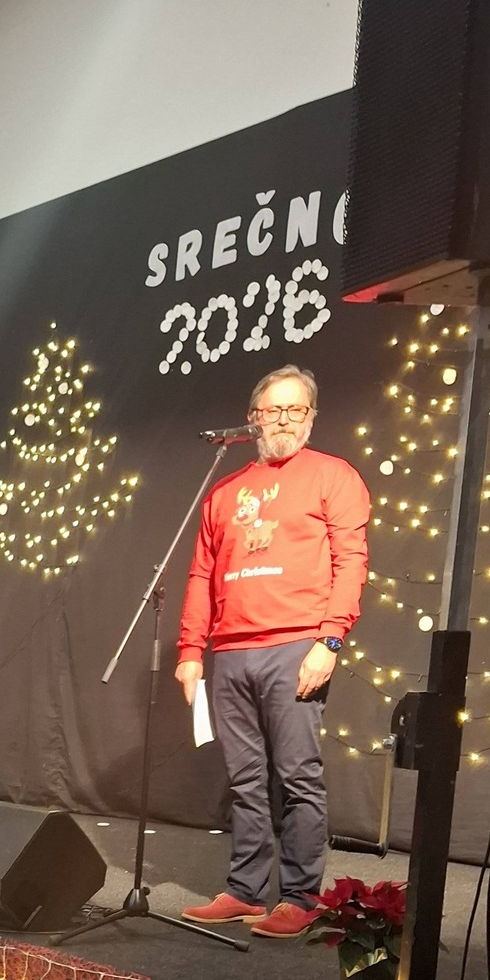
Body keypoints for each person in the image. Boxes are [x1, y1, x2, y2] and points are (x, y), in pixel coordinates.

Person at [175, 366, 369, 939]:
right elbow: (201, 574)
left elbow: (351, 563)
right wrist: (191, 650)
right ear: (253, 417)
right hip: (231, 652)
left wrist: (329, 641)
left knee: (298, 777)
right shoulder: (224, 492)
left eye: (295, 409)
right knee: (244, 779)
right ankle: (244, 890)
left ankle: (300, 896)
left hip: (296, 645)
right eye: (272, 410)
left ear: (310, 416)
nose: (283, 420)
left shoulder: (334, 476)